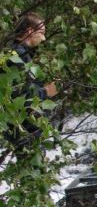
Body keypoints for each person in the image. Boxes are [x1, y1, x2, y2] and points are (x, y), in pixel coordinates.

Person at [4, 12, 58, 148]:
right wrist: (46, 92)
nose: (44, 38)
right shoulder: (17, 57)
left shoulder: (17, 53)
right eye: (42, 32)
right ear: (30, 31)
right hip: (24, 128)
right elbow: (20, 96)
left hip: (21, 125)